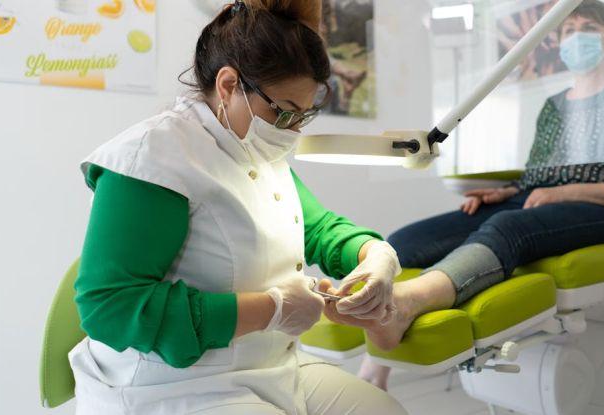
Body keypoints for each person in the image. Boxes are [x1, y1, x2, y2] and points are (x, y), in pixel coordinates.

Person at [67, 1, 406, 414]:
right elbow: (111, 308)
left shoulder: (252, 146)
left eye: (305, 116)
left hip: (270, 367)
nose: (294, 131)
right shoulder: (153, 159)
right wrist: (273, 309)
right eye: (283, 113)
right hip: (168, 385)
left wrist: (376, 258)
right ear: (229, 84)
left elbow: (318, 230)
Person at [326, 0, 604, 391]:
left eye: (589, 28)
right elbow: (537, 177)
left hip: (600, 209)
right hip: (537, 201)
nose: (576, 37)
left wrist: (560, 192)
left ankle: (403, 306)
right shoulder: (554, 105)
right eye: (569, 30)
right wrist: (506, 192)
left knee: (507, 228)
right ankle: (372, 342)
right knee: (407, 240)